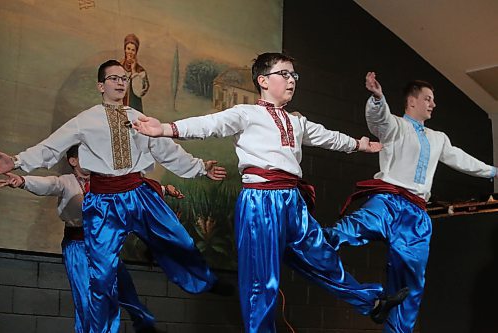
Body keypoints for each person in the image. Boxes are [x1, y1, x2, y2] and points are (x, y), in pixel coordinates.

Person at [132, 53, 409, 332]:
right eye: (284, 74)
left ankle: (372, 303)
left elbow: (327, 136)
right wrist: (165, 129)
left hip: (291, 200)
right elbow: (208, 125)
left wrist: (359, 145)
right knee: (261, 280)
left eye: (294, 76)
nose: (291, 81)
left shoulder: (296, 121)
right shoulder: (247, 114)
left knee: (322, 257)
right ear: (263, 81)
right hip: (260, 200)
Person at [0, 59, 228, 333]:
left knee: (176, 238)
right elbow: (52, 147)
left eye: (124, 78)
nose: (120, 82)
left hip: (137, 192)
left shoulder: (138, 119)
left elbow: (167, 150)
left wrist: (201, 168)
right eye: (114, 78)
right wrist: (16, 161)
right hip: (104, 201)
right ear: (101, 85)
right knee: (102, 275)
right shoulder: (85, 120)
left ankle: (204, 281)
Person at [321, 72, 498, 333]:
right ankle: (306, 242)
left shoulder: (439, 138)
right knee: (345, 231)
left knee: (410, 285)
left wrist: (494, 172)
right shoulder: (395, 126)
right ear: (411, 102)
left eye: (433, 100)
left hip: (415, 214)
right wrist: (378, 97)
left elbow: (462, 159)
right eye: (428, 99)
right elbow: (378, 119)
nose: (433, 104)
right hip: (388, 201)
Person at [0, 145, 181, 333]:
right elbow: (49, 184)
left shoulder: (102, 181)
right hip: (78, 246)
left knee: (123, 291)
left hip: (103, 246)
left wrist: (165, 189)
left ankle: (142, 325)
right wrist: (22, 181)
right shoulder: (66, 182)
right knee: (88, 300)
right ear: (73, 161)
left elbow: (132, 187)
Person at [120, 33, 150, 112]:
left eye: (133, 50)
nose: (130, 52)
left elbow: (139, 92)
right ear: (124, 50)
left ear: (136, 52)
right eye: (128, 49)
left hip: (134, 110)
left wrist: (133, 71)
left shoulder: (141, 71)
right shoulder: (118, 67)